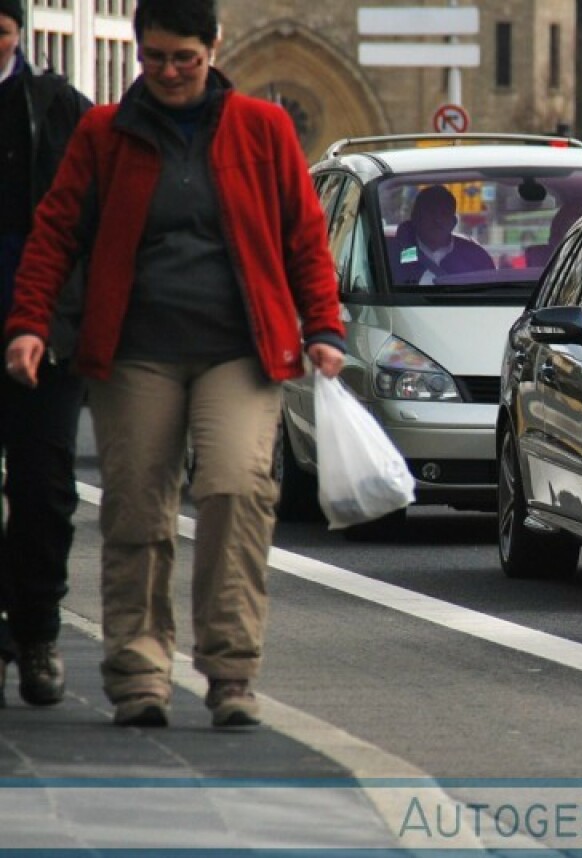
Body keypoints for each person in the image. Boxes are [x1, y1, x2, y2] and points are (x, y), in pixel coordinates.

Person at [4, 0, 346, 729]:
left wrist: (324, 327)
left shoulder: (264, 128)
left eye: (183, 58)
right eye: (154, 57)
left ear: (213, 48)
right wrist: (30, 325)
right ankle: (139, 674)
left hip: (240, 351)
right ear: (138, 52)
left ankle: (230, 673)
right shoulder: (105, 134)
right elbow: (54, 234)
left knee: (232, 489)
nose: (168, 72)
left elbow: (304, 237)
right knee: (136, 507)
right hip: (134, 354)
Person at [0, 0, 92, 709]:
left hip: (46, 337)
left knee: (45, 494)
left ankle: (36, 632)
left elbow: (89, 227)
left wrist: (67, 324)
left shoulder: (61, 110)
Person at [393, 184, 494, 284]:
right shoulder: (392, 255)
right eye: (431, 213)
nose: (437, 220)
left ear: (453, 222)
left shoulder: (476, 257)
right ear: (415, 217)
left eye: (444, 213)